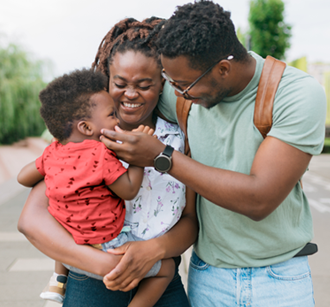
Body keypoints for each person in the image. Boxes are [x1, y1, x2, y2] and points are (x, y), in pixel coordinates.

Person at [100, 0, 327, 306]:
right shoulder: (181, 90)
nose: (176, 93)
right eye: (169, 82)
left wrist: (162, 156)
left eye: (183, 85)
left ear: (223, 69)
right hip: (208, 276)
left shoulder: (295, 94)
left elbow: (259, 199)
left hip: (280, 279)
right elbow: (122, 96)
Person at [17, 17, 196, 307]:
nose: (130, 93)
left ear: (163, 82)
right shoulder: (81, 142)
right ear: (107, 79)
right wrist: (106, 265)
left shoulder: (179, 139)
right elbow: (30, 220)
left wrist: (153, 250)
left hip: (161, 283)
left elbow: (191, 221)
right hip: (91, 282)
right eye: (120, 83)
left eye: (144, 84)